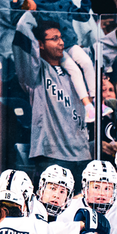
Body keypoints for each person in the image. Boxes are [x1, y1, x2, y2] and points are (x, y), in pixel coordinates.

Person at [14, 16, 91, 180]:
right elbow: (22, 30)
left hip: (83, 154)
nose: (61, 42)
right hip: (52, 155)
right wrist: (35, 12)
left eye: (61, 38)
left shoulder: (75, 72)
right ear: (40, 44)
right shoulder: (34, 74)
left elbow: (104, 52)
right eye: (54, 39)